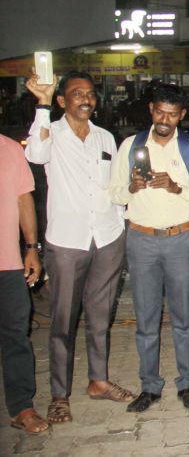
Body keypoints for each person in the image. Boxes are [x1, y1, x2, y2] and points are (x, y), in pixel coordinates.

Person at [24, 71, 135, 424]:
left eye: (89, 94)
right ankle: (60, 395)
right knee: (63, 322)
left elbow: (114, 187)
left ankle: (98, 381)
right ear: (62, 100)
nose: (85, 99)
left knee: (100, 317)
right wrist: (42, 104)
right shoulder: (50, 133)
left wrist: (121, 224)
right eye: (76, 93)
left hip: (107, 237)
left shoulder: (105, 137)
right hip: (68, 241)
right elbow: (35, 154)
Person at [110, 82, 189, 413]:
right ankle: (149, 386)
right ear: (151, 110)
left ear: (182, 115)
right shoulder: (131, 146)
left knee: (183, 317)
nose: (165, 120)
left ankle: (187, 383)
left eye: (172, 114)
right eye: (160, 112)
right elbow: (114, 194)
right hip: (141, 240)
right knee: (146, 319)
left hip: (181, 238)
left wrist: (176, 186)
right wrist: (132, 187)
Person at [0, 133, 49, 435]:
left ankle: (21, 407)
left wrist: (32, 248)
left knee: (16, 335)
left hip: (7, 261)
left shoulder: (9, 149)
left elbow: (23, 198)